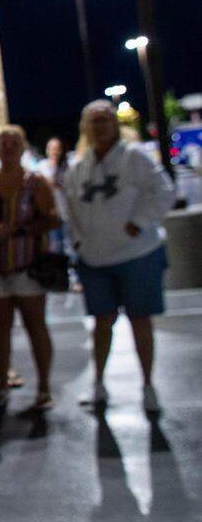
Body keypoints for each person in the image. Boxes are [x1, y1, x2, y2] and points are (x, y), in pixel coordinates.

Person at [62, 100, 176, 412]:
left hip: (137, 255)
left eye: (106, 120)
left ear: (115, 124)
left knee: (141, 319)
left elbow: (164, 191)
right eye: (95, 121)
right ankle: (98, 382)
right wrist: (79, 243)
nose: (101, 127)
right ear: (86, 126)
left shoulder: (135, 157)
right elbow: (70, 210)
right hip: (95, 260)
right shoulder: (78, 168)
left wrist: (137, 224)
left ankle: (148, 385)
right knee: (101, 322)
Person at [0, 126, 59, 409]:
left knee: (35, 326)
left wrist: (19, 230)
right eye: (3, 142)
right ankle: (3, 381)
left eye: (14, 142)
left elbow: (52, 218)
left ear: (23, 146)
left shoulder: (35, 182)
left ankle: (43, 386)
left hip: (27, 266)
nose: (8, 147)